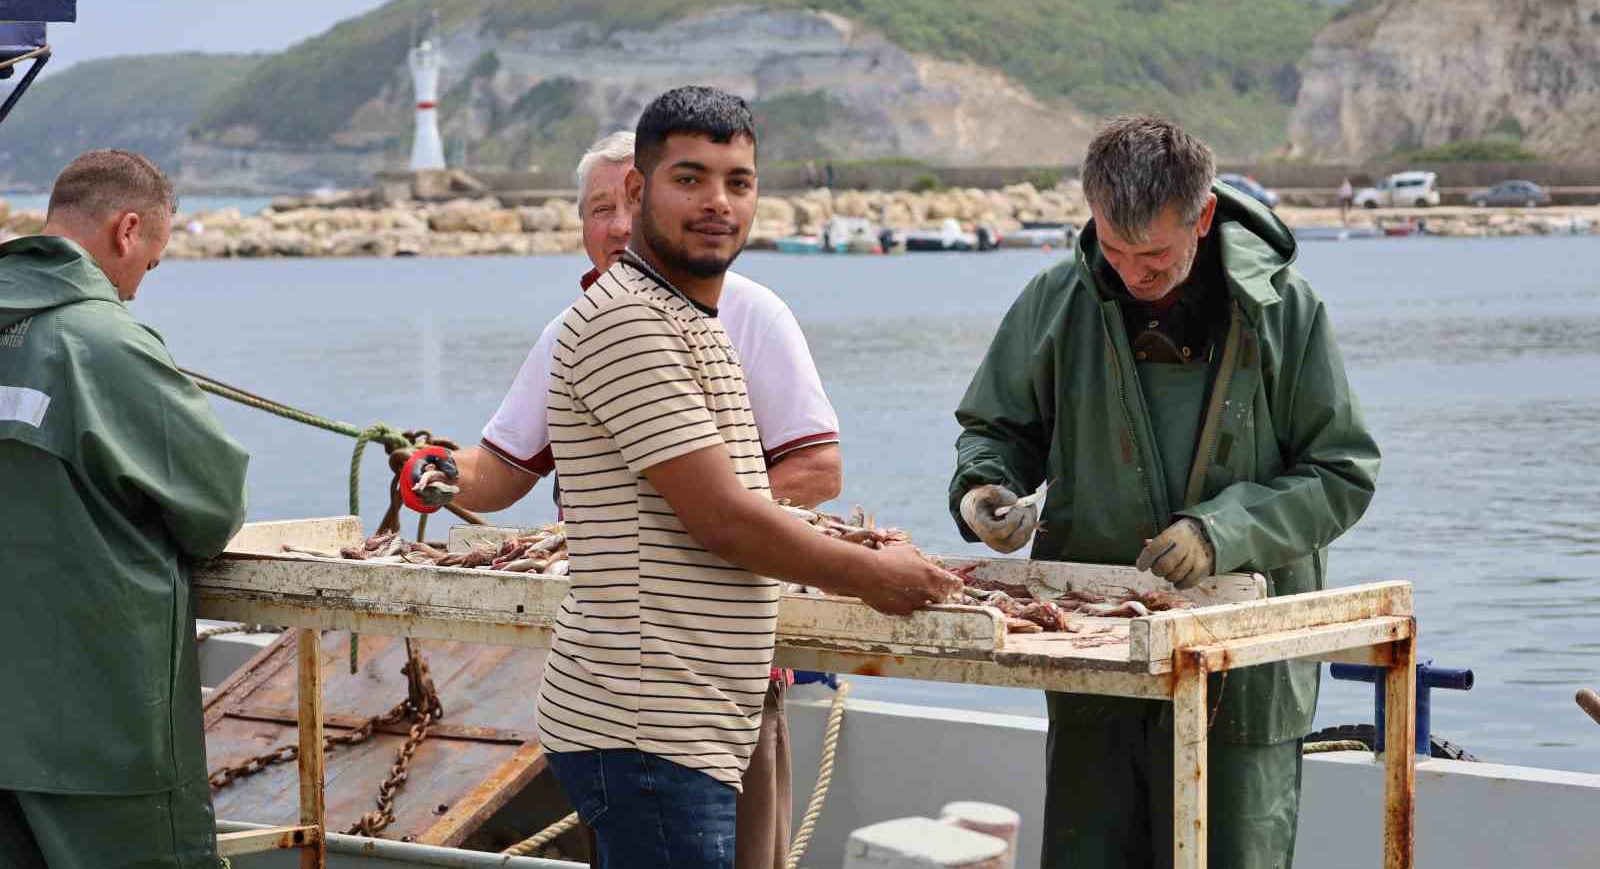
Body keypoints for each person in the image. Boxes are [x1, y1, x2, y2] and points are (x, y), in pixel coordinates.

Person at [538, 86, 958, 867]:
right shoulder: (628, 323)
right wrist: (872, 576)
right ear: (637, 190)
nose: (717, 204)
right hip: (647, 726)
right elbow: (726, 519)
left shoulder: (693, 318)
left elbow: (763, 496)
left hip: (685, 724)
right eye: (689, 179)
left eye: (738, 182)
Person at [948, 115, 1379, 869]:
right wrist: (984, 490)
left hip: (1245, 675)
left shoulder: (1288, 312)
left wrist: (1222, 533)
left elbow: (1342, 472)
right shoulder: (1057, 300)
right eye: (1111, 250)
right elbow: (995, 428)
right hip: (1097, 661)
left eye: (1151, 256)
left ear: (1203, 217)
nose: (1128, 274)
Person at [416, 128, 843, 869]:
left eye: (628, 201)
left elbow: (816, 469)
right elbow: (506, 468)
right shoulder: (576, 328)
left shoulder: (750, 313)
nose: (615, 224)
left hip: (723, 669)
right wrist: (435, 470)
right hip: (620, 677)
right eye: (595, 208)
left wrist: (702, 519)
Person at [0, 150, 250, 869]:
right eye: (153, 261)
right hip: (100, 730)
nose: (139, 287)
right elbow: (213, 506)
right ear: (127, 229)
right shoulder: (104, 343)